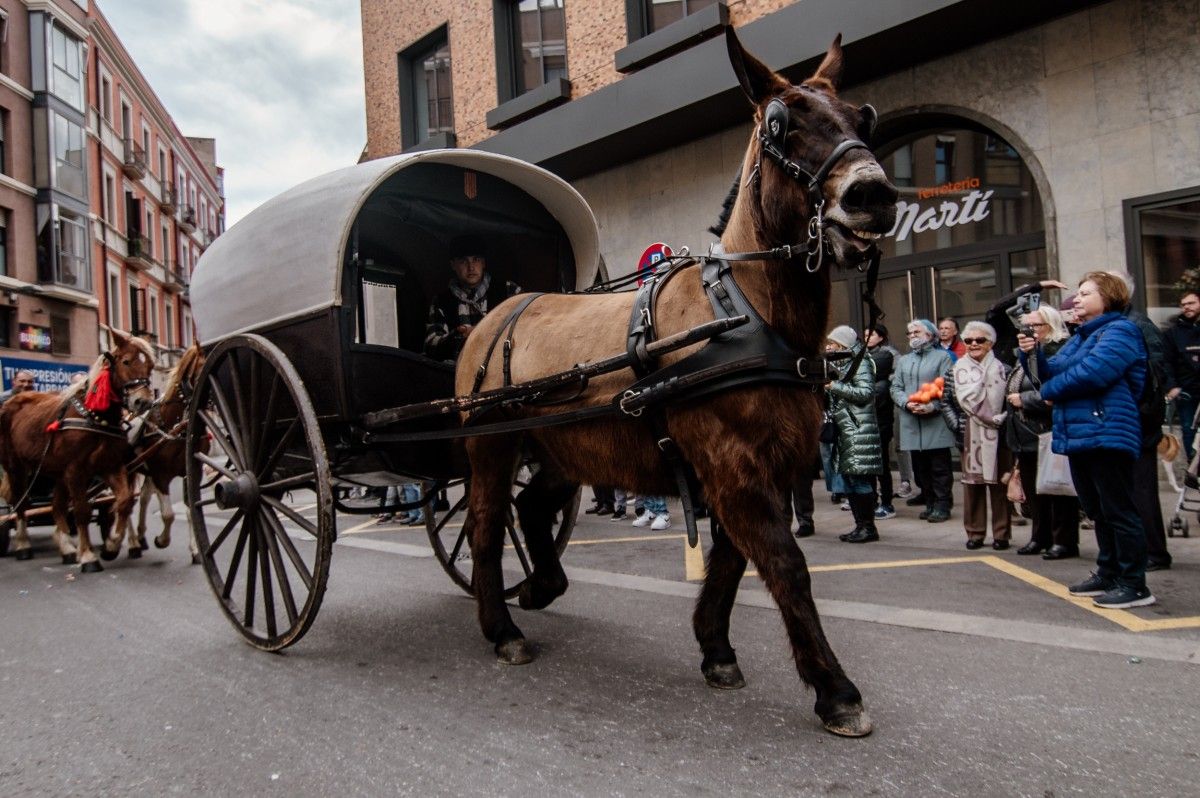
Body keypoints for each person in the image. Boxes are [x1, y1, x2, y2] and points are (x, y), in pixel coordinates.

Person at [1018, 272, 1154, 609]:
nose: (1076, 299)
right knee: (1097, 509)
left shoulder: (1120, 331)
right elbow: (1050, 372)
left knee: (1119, 509)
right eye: (1077, 294)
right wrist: (1031, 353)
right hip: (1081, 432)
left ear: (1108, 297)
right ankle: (1108, 571)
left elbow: (1092, 373)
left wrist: (1048, 393)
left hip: (1107, 430)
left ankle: (1134, 583)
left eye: (1085, 293)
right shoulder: (1082, 336)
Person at [1004, 306, 1080, 559]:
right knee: (1034, 490)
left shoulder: (1058, 350)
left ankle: (1064, 540)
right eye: (1026, 327)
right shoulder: (1026, 353)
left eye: (1036, 326)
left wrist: (1025, 400)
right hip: (1024, 432)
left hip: (1048, 429)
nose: (1029, 331)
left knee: (1057, 488)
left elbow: (1056, 390)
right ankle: (1040, 536)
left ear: (1051, 325)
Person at [946, 322, 1011, 550]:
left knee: (998, 486)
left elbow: (1009, 402)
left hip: (998, 433)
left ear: (990, 343)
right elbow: (948, 402)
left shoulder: (1003, 369)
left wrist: (999, 419)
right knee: (972, 487)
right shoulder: (956, 368)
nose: (974, 344)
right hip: (968, 433)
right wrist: (957, 426)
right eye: (969, 341)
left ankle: (1001, 534)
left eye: (979, 340)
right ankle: (975, 533)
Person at [821, 326, 883, 543]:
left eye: (833, 343)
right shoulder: (842, 363)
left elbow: (865, 393)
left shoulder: (861, 362)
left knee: (860, 481)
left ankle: (868, 527)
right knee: (849, 482)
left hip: (858, 430)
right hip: (845, 429)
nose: (829, 346)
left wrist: (834, 386)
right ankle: (860, 526)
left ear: (843, 344)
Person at [890, 319, 955, 522]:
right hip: (911, 419)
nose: (912, 336)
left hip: (934, 420)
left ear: (930, 335)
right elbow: (896, 387)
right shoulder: (904, 361)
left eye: (917, 331)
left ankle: (943, 504)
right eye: (910, 333)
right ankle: (929, 502)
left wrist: (932, 406)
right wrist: (907, 403)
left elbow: (947, 387)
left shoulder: (942, 357)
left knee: (939, 467)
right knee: (921, 468)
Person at [424, 235, 518, 362]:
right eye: (463, 261)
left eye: (476, 259)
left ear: (484, 262)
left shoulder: (509, 291)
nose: (471, 267)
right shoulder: (441, 301)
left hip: (502, 372)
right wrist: (459, 336)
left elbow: (527, 329)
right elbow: (431, 345)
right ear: (453, 265)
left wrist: (484, 332)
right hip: (459, 374)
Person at [866, 324, 899, 519]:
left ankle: (886, 503)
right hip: (870, 427)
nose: (867, 338)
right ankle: (873, 501)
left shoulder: (883, 383)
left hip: (881, 426)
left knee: (881, 467)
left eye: (872, 334)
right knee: (870, 467)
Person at [1163, 291, 1200, 462]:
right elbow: (1166, 361)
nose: (1186, 307)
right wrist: (1172, 387)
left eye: (1191, 303)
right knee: (1189, 431)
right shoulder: (1173, 333)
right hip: (1187, 392)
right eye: (1183, 304)